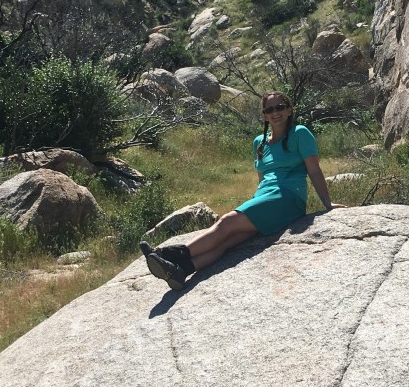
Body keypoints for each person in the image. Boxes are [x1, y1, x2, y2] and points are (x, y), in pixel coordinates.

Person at [140, 91, 344, 290]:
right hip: (267, 198)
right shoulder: (259, 142)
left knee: (226, 222)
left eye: (280, 107)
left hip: (288, 197)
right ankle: (182, 270)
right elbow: (263, 179)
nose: (275, 112)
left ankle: (168, 254)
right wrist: (255, 203)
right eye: (269, 109)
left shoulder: (300, 133)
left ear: (289, 110)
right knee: (229, 241)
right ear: (264, 115)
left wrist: (328, 203)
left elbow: (314, 170)